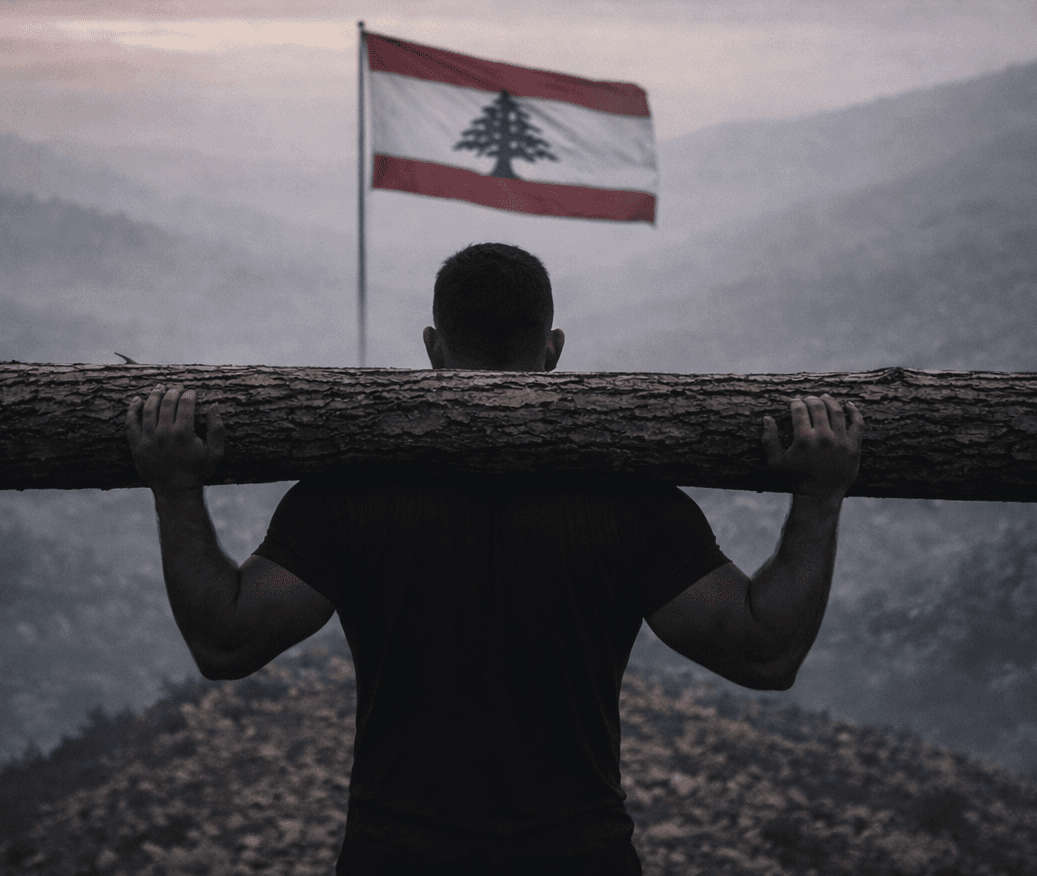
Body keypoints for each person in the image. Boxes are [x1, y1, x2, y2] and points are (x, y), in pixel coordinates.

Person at [126, 243, 863, 875]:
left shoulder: (352, 495)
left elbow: (225, 640)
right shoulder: (630, 501)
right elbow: (765, 654)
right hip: (580, 858)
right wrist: (821, 497)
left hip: (397, 858)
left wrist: (175, 485)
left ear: (433, 346)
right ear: (554, 349)